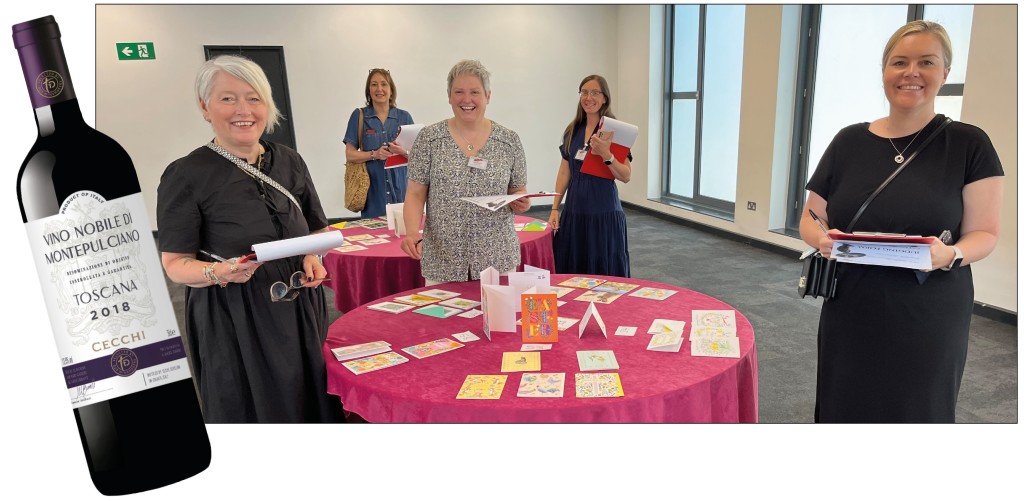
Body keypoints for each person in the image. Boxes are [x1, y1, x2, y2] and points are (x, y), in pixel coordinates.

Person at [799, 21, 1003, 423]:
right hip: (852, 304)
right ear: (884, 72)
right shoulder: (848, 142)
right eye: (900, 62)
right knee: (846, 403)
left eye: (927, 62)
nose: (911, 72)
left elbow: (986, 233)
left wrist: (951, 254)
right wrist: (821, 240)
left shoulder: (968, 144)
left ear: (945, 73)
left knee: (916, 409)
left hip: (929, 309)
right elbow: (811, 215)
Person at [157, 55, 343, 423]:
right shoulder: (186, 174)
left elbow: (316, 230)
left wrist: (313, 258)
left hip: (299, 302)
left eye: (253, 97)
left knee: (311, 394)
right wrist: (219, 272)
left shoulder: (289, 160)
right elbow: (175, 265)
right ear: (204, 106)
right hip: (234, 312)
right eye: (228, 98)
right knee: (253, 406)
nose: (243, 109)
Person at [399, 59, 529, 284]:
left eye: (474, 92)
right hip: (444, 259)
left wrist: (522, 202)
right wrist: (411, 232)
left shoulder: (509, 140)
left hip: (497, 258)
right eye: (459, 92)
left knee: (498, 319)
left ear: (488, 96)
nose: (466, 100)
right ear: (449, 96)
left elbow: (518, 190)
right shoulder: (429, 139)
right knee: (443, 319)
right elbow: (415, 193)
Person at [549, 75, 632, 277]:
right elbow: (564, 171)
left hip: (603, 211)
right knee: (573, 265)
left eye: (595, 93)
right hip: (575, 209)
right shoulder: (573, 130)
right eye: (584, 92)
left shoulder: (616, 132)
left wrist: (606, 154)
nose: (589, 97)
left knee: (604, 269)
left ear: (605, 98)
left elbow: (625, 175)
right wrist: (554, 208)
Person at [343, 68, 414, 218]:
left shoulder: (404, 117)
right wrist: (374, 154)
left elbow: (418, 156)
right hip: (373, 194)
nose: (379, 89)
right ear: (369, 90)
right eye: (374, 84)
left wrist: (402, 152)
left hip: (401, 192)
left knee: (402, 237)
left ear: (391, 90)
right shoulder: (359, 116)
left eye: (384, 84)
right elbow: (350, 155)